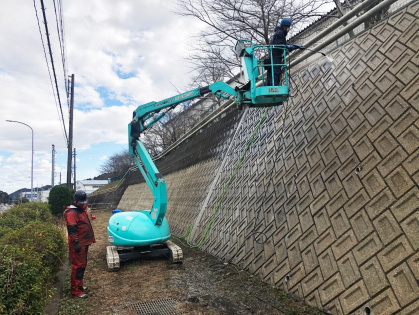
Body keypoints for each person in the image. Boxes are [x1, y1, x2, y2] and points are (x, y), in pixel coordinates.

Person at [64, 190, 95, 298]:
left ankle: (80, 286)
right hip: (78, 244)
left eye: (84, 202)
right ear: (75, 201)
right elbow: (72, 229)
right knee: (78, 267)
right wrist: (76, 242)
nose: (83, 204)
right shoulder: (72, 213)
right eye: (81, 202)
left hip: (83, 242)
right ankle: (76, 291)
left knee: (82, 265)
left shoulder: (80, 210)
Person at [266, 18, 303, 86]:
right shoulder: (280, 33)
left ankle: (270, 86)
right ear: (285, 26)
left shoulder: (279, 32)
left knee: (271, 73)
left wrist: (291, 47)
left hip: (273, 56)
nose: (288, 29)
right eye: (288, 27)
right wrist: (288, 47)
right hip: (275, 56)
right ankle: (275, 88)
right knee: (276, 72)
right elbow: (279, 45)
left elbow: (280, 45)